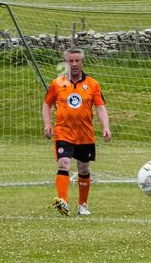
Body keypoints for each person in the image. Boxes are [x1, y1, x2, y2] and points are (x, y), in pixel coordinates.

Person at [42, 48, 111, 216]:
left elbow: (100, 107)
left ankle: (83, 205)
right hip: (63, 133)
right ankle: (63, 201)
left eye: (76, 61)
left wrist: (106, 126)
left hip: (85, 134)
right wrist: (47, 124)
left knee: (84, 169)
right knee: (63, 163)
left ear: (82, 62)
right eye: (70, 61)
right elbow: (46, 105)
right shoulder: (57, 83)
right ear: (66, 63)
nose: (73, 64)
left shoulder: (93, 84)